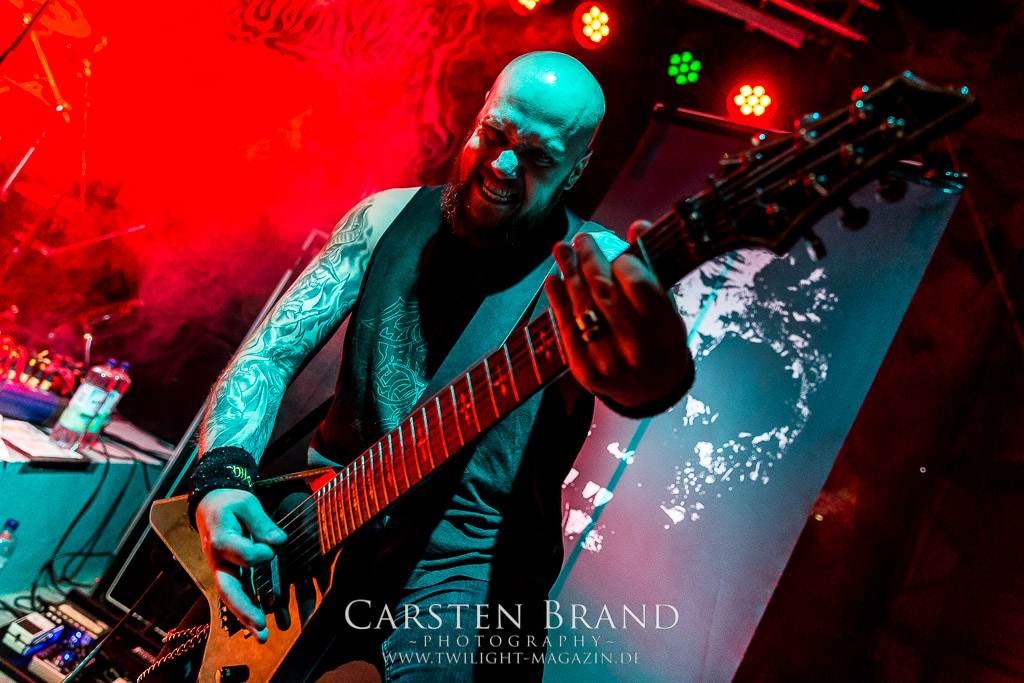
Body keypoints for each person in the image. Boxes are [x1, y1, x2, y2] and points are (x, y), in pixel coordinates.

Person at [187, 51, 694, 681]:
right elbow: (272, 353)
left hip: (467, 567)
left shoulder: (592, 270)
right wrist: (223, 476)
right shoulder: (384, 218)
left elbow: (648, 378)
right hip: (314, 529)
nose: (503, 166)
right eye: (495, 134)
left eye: (538, 158)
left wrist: (657, 371)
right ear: (481, 110)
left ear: (576, 169)